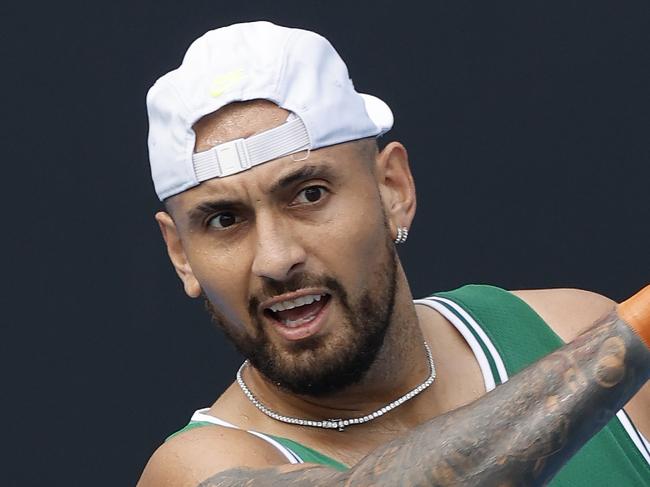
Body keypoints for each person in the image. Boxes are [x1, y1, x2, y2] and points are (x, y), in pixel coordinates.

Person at [137, 21, 650, 486]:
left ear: (393, 189)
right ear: (181, 253)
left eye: (309, 194)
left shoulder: (569, 328)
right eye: (224, 220)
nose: (274, 259)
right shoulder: (194, 470)